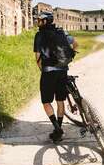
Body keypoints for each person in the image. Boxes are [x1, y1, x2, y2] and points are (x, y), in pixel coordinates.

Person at [33, 12, 78, 143]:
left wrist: (43, 70)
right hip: (63, 69)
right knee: (60, 100)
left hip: (48, 71)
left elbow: (37, 57)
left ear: (45, 21)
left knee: (46, 102)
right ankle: (59, 126)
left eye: (40, 20)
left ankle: (57, 129)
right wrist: (66, 58)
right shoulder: (61, 31)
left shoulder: (39, 35)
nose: (38, 22)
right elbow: (76, 44)